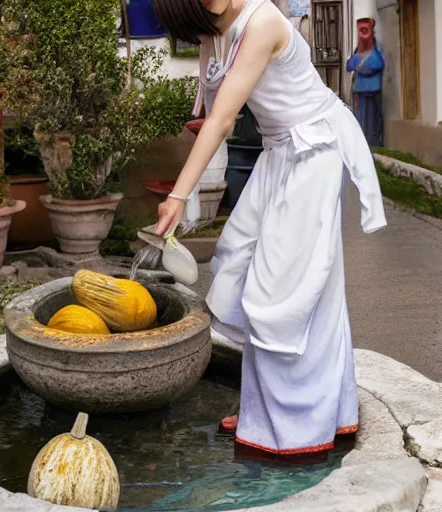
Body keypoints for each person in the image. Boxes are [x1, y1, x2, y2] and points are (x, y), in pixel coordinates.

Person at [152, 0, 387, 459]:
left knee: (284, 293)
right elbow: (211, 110)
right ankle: (265, 410)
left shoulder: (260, 21)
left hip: (312, 155)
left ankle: (299, 427)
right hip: (278, 155)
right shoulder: (209, 31)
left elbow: (222, 121)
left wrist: (178, 197)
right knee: (241, 270)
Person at [347, 17, 385, 147]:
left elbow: (379, 63)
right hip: (362, 90)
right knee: (363, 120)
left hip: (373, 89)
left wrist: (362, 66)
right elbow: (350, 64)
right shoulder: (360, 50)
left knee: (373, 120)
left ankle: (373, 144)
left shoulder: (376, 47)